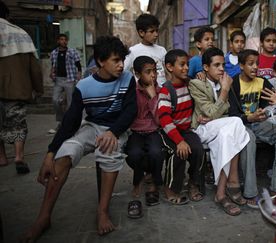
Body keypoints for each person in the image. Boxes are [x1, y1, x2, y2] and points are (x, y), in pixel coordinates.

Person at [21, 36, 137, 241]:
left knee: (109, 152)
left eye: (122, 60)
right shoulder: (84, 86)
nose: (121, 65)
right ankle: (43, 216)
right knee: (66, 153)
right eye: (116, 60)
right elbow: (71, 122)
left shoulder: (127, 80)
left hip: (116, 129)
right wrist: (51, 152)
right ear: (101, 61)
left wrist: (113, 132)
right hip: (91, 127)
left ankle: (102, 211)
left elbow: (130, 112)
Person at [228, 49, 276, 200]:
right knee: (249, 139)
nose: (255, 67)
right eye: (250, 64)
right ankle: (250, 192)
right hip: (242, 125)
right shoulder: (233, 84)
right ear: (241, 65)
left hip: (260, 123)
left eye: (257, 64)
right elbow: (231, 115)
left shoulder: (262, 82)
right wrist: (249, 118)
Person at [189, 47, 250, 216]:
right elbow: (212, 113)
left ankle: (221, 193)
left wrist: (214, 115)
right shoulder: (196, 83)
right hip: (202, 130)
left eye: (223, 64)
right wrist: (224, 90)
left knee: (227, 134)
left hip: (221, 127)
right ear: (206, 68)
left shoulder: (225, 81)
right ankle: (233, 181)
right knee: (236, 123)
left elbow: (223, 112)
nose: (222, 69)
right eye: (217, 65)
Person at [0, 1, 43, 173]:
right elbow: (34, 67)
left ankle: (2, 157)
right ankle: (18, 156)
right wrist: (38, 88)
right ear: (7, 15)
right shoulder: (21, 33)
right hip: (16, 89)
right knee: (17, 122)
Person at [158, 49, 205, 205]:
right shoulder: (166, 90)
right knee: (178, 153)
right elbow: (164, 119)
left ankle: (193, 182)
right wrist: (179, 141)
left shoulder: (189, 85)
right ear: (170, 67)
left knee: (198, 149)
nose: (186, 68)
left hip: (186, 130)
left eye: (187, 64)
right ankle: (171, 188)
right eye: (182, 65)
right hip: (169, 132)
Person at [125, 56, 164, 219]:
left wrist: (153, 96)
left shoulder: (159, 90)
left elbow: (159, 119)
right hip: (136, 131)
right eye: (148, 72)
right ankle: (139, 179)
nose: (153, 75)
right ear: (137, 73)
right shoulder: (132, 91)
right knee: (133, 154)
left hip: (154, 130)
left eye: (154, 71)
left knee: (156, 152)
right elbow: (131, 116)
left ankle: (153, 182)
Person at [48, 33, 82, 134]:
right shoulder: (54, 53)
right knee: (55, 100)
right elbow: (53, 65)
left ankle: (70, 124)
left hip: (70, 79)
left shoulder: (72, 52)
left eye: (65, 40)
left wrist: (79, 73)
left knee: (70, 103)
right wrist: (51, 72)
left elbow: (78, 64)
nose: (64, 41)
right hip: (59, 80)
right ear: (58, 41)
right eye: (61, 39)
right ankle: (61, 121)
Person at [124, 13, 167, 87]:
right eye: (152, 31)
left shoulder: (162, 50)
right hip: (143, 94)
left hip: (162, 92)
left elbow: (168, 70)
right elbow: (124, 70)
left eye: (157, 31)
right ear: (141, 32)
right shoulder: (133, 51)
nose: (156, 34)